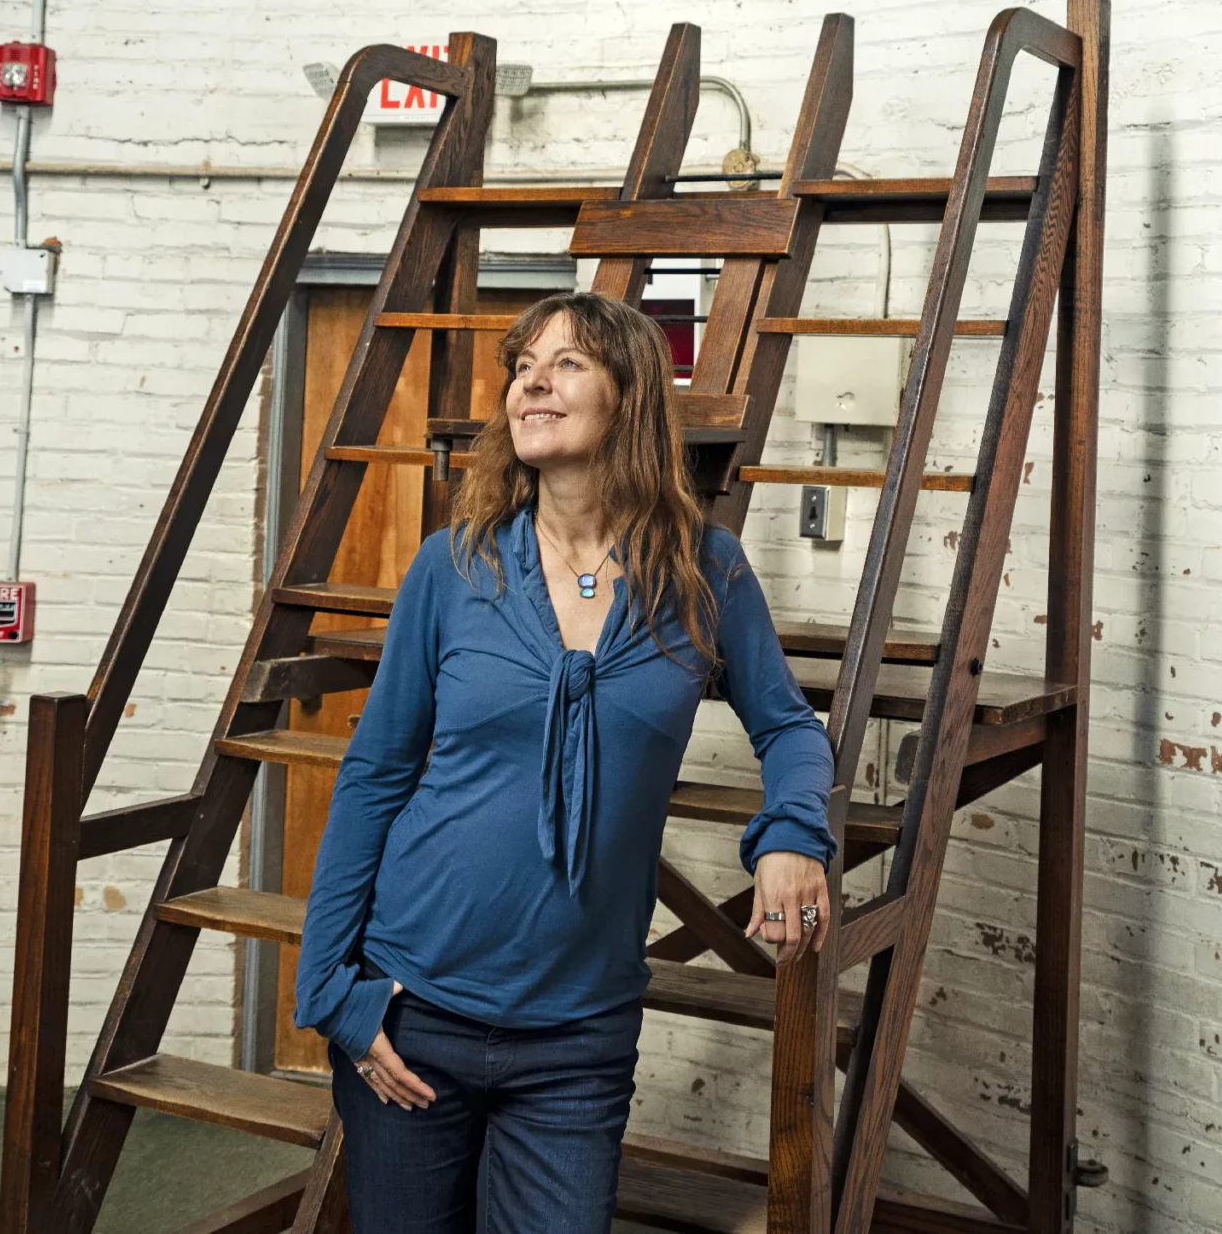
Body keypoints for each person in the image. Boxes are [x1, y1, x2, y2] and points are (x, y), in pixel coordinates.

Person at [292, 292, 837, 1234]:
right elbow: (375, 773)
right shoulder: (453, 567)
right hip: (413, 1005)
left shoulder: (705, 573)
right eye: (522, 366)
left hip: (578, 1037)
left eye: (569, 363)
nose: (532, 382)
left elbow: (789, 727)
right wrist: (333, 992)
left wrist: (792, 835)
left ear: (628, 397)